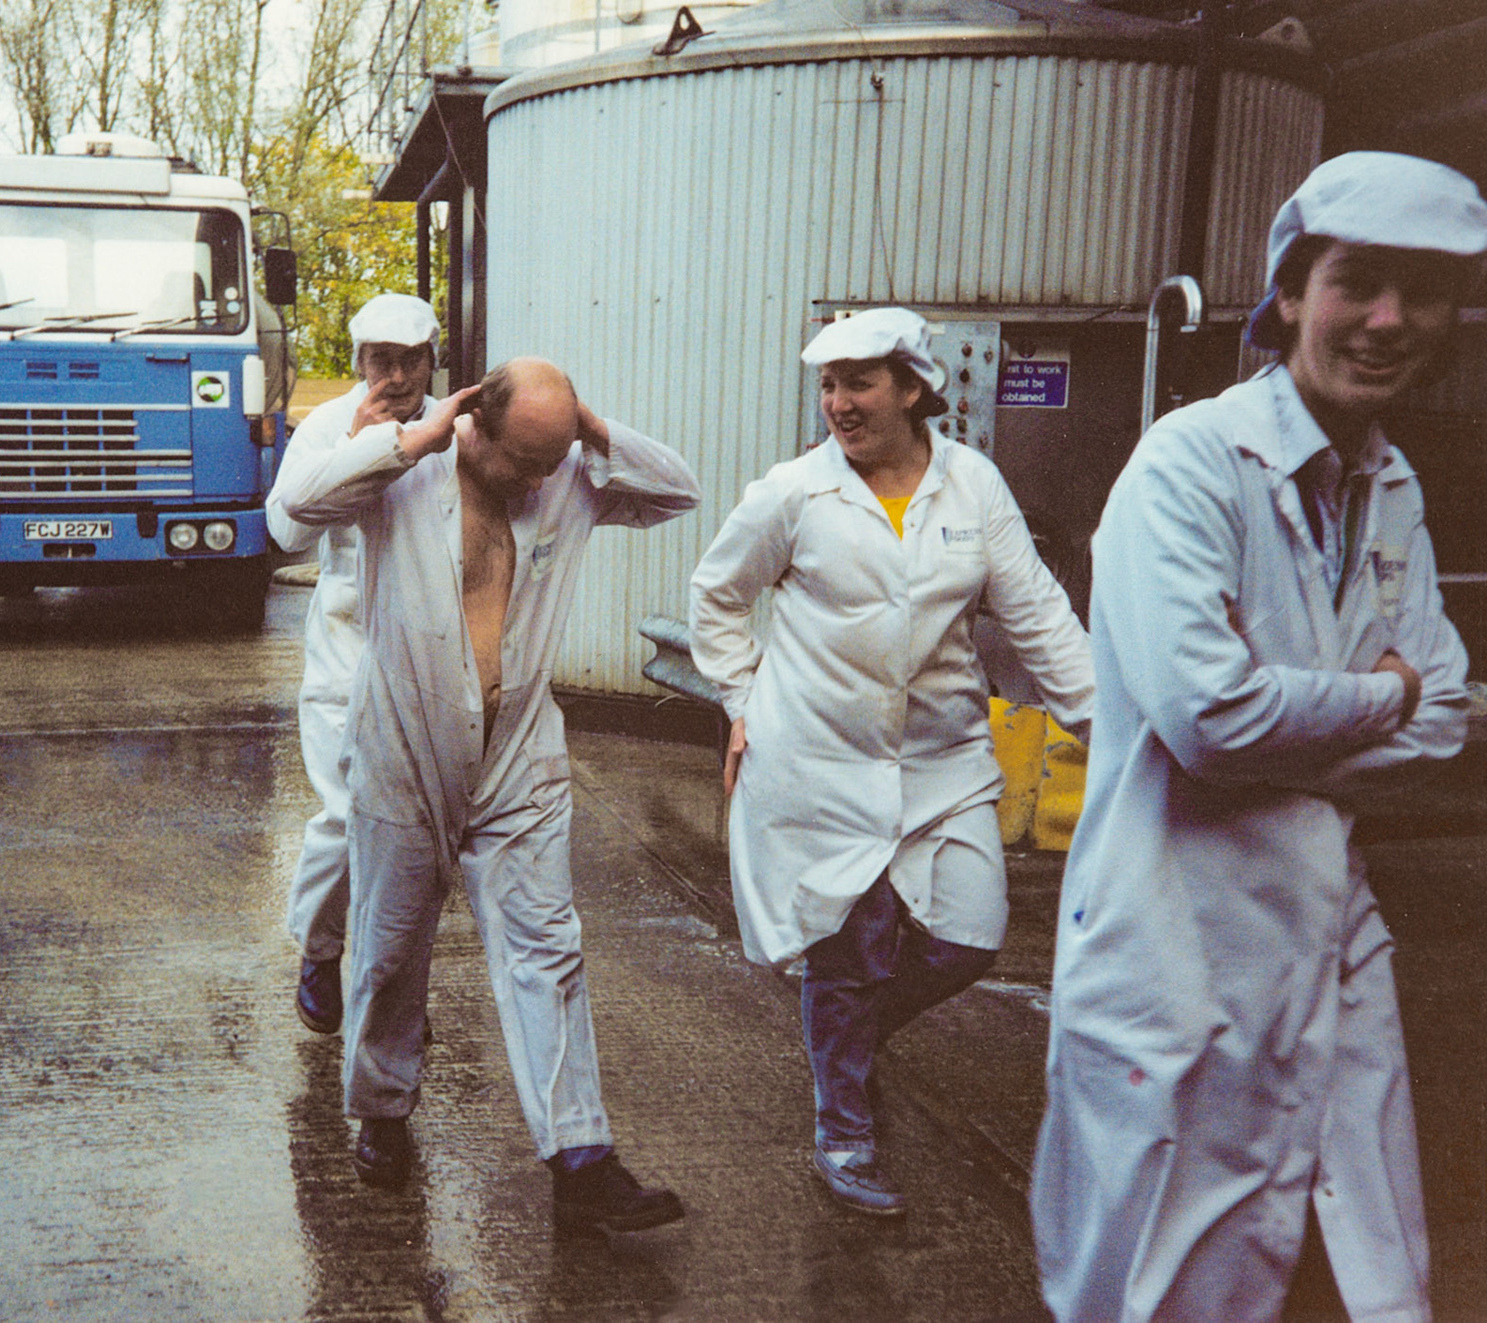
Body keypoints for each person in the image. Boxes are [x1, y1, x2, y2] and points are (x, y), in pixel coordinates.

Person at [1031, 152, 1485, 1322]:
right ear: (1291, 292)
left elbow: (1449, 723)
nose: (1389, 320)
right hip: (1174, 959)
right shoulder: (1188, 469)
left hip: (1332, 945)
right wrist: (1377, 694)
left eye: (1423, 291)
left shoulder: (1392, 485)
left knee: (1363, 1280)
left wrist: (1325, 706)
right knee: (1157, 1291)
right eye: (1358, 281)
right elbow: (1210, 719)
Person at [275, 357, 700, 1232]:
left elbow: (676, 493)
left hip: (518, 760)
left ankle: (581, 1154)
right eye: (525, 460)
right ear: (476, 422)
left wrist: (594, 429)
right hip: (403, 744)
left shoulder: (566, 477)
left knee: (549, 947)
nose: (539, 481)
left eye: (556, 458)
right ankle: (383, 1112)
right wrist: (400, 440)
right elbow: (289, 521)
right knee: (391, 951)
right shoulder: (408, 471)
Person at [688, 307, 1093, 1216]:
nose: (838, 402)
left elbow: (1035, 613)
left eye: (859, 382)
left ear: (913, 387)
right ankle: (845, 1129)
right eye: (829, 384)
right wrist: (743, 699)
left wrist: (1106, 722)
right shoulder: (794, 494)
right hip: (820, 763)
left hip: (941, 760)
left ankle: (849, 1046)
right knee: (855, 948)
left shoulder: (972, 486)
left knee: (967, 938)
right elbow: (717, 597)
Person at [266, 293, 439, 1036]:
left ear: (433, 359)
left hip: (426, 666)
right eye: (379, 361)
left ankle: (392, 990)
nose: (394, 377)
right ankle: (320, 946)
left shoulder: (453, 429)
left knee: (414, 840)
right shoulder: (329, 426)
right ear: (359, 360)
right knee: (344, 821)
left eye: (408, 361)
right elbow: (284, 532)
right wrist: (355, 454)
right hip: (344, 660)